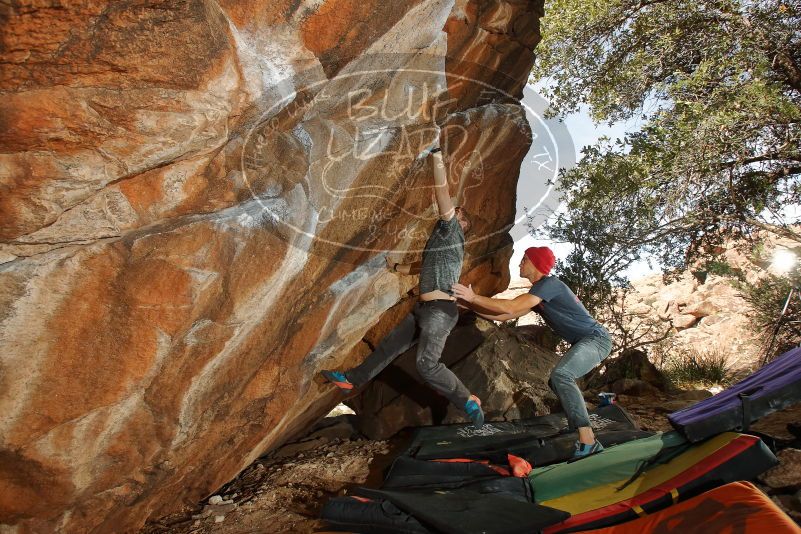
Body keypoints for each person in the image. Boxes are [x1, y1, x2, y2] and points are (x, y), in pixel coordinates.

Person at [321, 138, 485, 429]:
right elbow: (423, 266)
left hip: (440, 311)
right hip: (424, 310)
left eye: (455, 212)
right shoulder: (441, 245)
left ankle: (467, 400)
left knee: (427, 364)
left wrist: (436, 155)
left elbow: (442, 193)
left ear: (461, 223)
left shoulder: (452, 234)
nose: (451, 211)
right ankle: (352, 380)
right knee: (388, 348)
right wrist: (398, 267)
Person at [452, 246, 612, 457]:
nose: (520, 262)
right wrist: (469, 306)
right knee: (556, 380)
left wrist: (473, 297)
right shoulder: (538, 293)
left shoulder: (550, 284)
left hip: (596, 339)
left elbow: (509, 307)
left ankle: (588, 441)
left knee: (562, 376)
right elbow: (504, 317)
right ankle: (578, 426)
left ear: (536, 264)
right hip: (585, 340)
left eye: (525, 259)